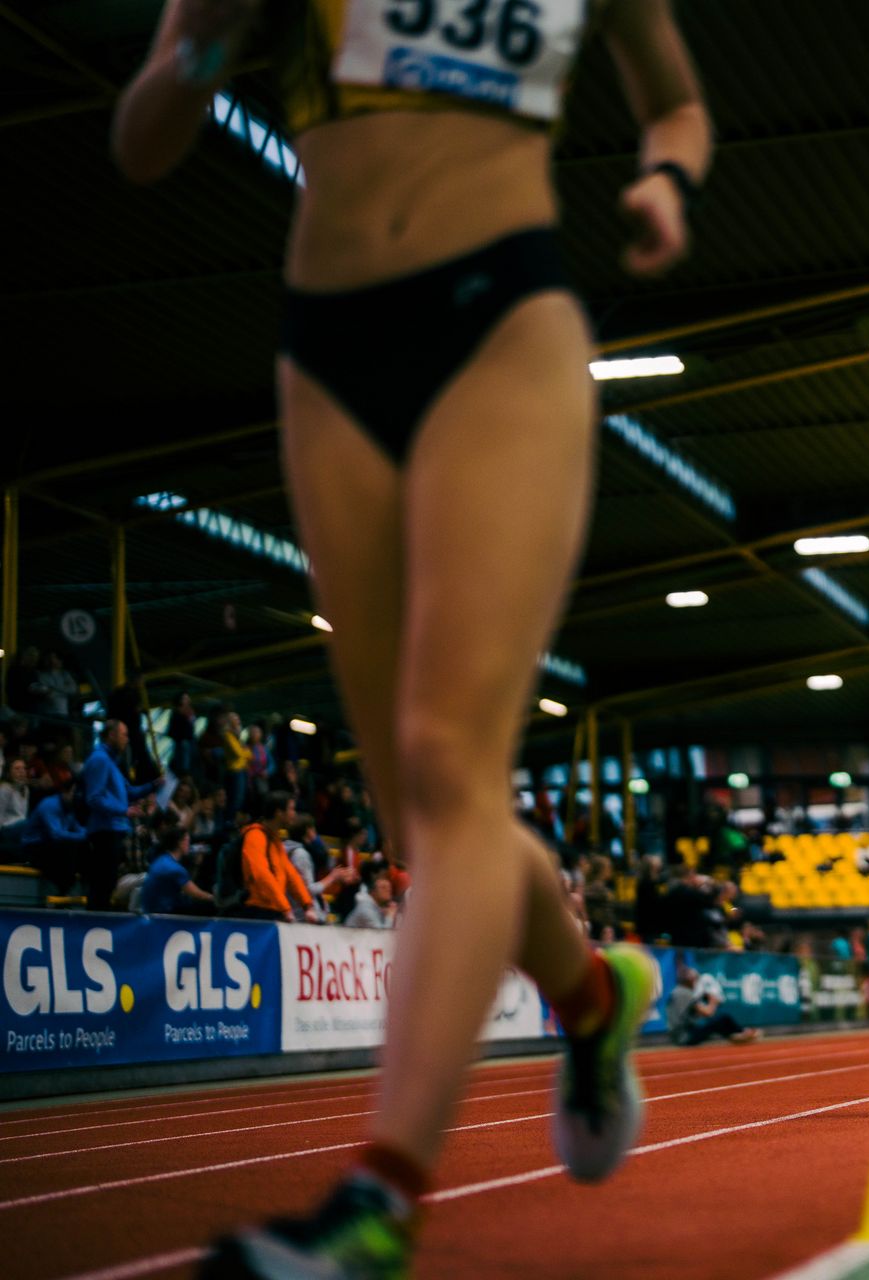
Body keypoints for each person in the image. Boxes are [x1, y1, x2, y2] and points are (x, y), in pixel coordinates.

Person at [115, 0, 708, 1269]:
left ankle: (379, 1202)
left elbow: (676, 98)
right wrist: (206, 45)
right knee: (421, 812)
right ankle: (599, 994)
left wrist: (664, 175)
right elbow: (140, 142)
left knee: (450, 761)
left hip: (505, 317)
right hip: (327, 352)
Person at [82, 720, 159, 912]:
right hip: (104, 830)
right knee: (102, 884)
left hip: (115, 830)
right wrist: (123, 810)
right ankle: (95, 922)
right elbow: (94, 798)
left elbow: (129, 792)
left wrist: (153, 785)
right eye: (123, 734)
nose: (127, 739)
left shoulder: (111, 763)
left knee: (108, 883)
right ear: (111, 735)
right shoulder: (99, 760)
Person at [235, 790, 324, 925]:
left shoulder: (275, 840)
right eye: (291, 809)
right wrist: (286, 908)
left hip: (274, 910)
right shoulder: (255, 836)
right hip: (258, 911)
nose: (294, 814)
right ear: (279, 813)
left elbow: (291, 874)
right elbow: (261, 875)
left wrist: (307, 905)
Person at [665, 964, 762, 1046]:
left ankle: (738, 1034)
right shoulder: (685, 993)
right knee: (722, 1019)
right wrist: (713, 1001)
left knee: (719, 1021)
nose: (696, 982)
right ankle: (740, 1033)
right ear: (689, 980)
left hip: (678, 1034)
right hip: (685, 1036)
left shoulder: (678, 991)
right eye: (695, 979)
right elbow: (708, 1013)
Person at [20, 777, 88, 895]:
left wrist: (90, 834)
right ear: (65, 792)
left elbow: (80, 830)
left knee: (84, 849)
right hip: (34, 846)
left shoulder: (70, 808)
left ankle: (85, 889)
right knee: (66, 848)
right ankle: (61, 891)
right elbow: (56, 834)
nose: (77, 796)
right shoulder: (49, 805)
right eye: (74, 792)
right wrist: (84, 836)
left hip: (52, 845)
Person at [142, 819, 216, 917]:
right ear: (179, 843)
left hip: (152, 908)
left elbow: (186, 883)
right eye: (187, 841)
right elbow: (197, 894)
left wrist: (197, 863)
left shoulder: (162, 859)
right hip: (162, 913)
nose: (189, 845)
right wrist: (215, 899)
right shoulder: (174, 869)